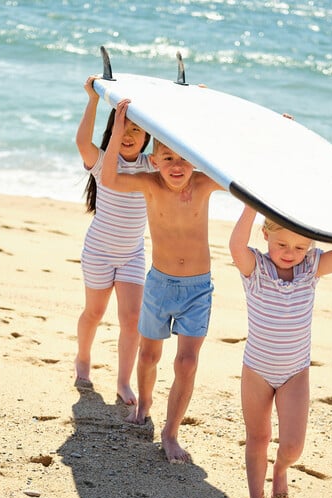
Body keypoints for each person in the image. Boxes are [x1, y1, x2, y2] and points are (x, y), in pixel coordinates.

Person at [101, 98, 223, 463]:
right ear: (154, 161)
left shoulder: (203, 184)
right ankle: (145, 404)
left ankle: (170, 433)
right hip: (158, 285)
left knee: (186, 363)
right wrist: (120, 128)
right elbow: (107, 177)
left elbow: (244, 174)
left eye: (184, 158)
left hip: (198, 288)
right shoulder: (149, 184)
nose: (177, 166)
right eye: (168, 158)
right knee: (150, 354)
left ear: (195, 161)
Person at [229, 204, 332, 498]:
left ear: (311, 245)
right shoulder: (255, 269)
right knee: (258, 438)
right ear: (266, 235)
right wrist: (249, 206)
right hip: (257, 369)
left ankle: (281, 467)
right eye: (282, 244)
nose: (290, 252)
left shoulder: (310, 267)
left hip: (294, 373)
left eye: (300, 246)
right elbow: (235, 246)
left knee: (293, 446)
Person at [74, 76, 154, 405]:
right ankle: (82, 358)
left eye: (138, 129)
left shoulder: (152, 167)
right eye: (125, 127)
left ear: (149, 137)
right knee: (94, 312)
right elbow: (81, 142)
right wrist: (92, 99)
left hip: (133, 254)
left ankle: (123, 382)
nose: (130, 135)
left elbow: (182, 156)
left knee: (132, 320)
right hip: (98, 252)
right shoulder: (104, 164)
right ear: (114, 129)